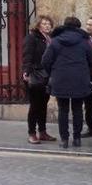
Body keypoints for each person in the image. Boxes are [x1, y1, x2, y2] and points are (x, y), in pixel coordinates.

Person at [42, 17, 92, 149]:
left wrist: (53, 72)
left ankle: (64, 140)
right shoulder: (84, 41)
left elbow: (45, 61)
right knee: (78, 109)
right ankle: (77, 138)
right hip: (80, 79)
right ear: (78, 27)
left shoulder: (55, 41)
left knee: (63, 110)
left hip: (60, 79)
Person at [22, 15, 54, 144]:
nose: (47, 26)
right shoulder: (32, 38)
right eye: (44, 23)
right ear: (38, 25)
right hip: (35, 74)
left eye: (49, 24)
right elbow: (27, 56)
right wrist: (26, 72)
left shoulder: (49, 39)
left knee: (43, 105)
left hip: (46, 75)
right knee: (35, 106)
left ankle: (42, 131)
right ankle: (32, 133)